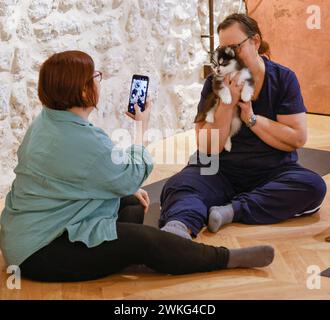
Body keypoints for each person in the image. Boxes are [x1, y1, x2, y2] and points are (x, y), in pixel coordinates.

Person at [0, 50, 274, 282]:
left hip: (33, 230)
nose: (99, 82)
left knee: (131, 203)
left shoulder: (49, 121)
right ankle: (225, 258)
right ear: (84, 90)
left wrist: (124, 188)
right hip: (40, 251)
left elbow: (89, 177)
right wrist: (141, 125)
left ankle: (138, 256)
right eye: (95, 77)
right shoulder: (78, 139)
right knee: (144, 239)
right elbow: (129, 175)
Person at [159, 13, 327, 240]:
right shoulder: (213, 83)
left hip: (271, 172)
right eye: (223, 50)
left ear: (255, 41)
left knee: (312, 187)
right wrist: (227, 106)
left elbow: (296, 139)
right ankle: (178, 229)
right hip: (219, 171)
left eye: (235, 48)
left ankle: (232, 211)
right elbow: (208, 148)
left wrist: (250, 117)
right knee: (178, 185)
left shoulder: (283, 78)